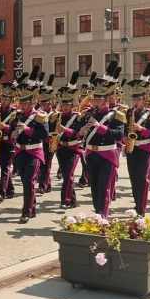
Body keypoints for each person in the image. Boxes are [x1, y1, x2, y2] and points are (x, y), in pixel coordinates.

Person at [78, 61, 125, 218]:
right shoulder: (87, 114)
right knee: (94, 187)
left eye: (99, 100)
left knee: (104, 187)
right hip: (92, 154)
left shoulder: (116, 115)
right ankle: (97, 214)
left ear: (106, 99)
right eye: (94, 99)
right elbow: (78, 133)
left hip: (108, 155)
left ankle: (102, 216)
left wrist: (100, 127)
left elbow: (118, 135)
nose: (95, 102)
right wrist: (80, 132)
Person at [2, 67, 49, 223]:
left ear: (32, 102)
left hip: (34, 152)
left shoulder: (40, 116)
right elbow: (12, 132)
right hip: (20, 152)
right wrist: (12, 133)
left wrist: (27, 130)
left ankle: (26, 211)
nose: (21, 105)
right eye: (20, 102)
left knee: (29, 181)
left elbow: (44, 135)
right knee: (25, 181)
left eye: (24, 102)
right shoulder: (17, 115)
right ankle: (32, 208)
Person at [124, 63, 150, 215]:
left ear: (144, 100)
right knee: (133, 179)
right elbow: (123, 131)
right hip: (132, 149)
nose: (135, 102)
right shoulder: (128, 113)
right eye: (134, 100)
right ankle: (137, 204)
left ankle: (142, 209)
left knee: (143, 180)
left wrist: (141, 129)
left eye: (138, 100)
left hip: (145, 149)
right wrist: (124, 138)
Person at [52, 72, 85, 209]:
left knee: (69, 174)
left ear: (73, 105)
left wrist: (66, 130)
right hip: (61, 148)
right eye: (63, 104)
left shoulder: (78, 117)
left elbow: (79, 135)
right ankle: (72, 200)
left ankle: (65, 201)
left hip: (73, 149)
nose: (64, 107)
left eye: (67, 104)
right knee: (67, 176)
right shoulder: (57, 116)